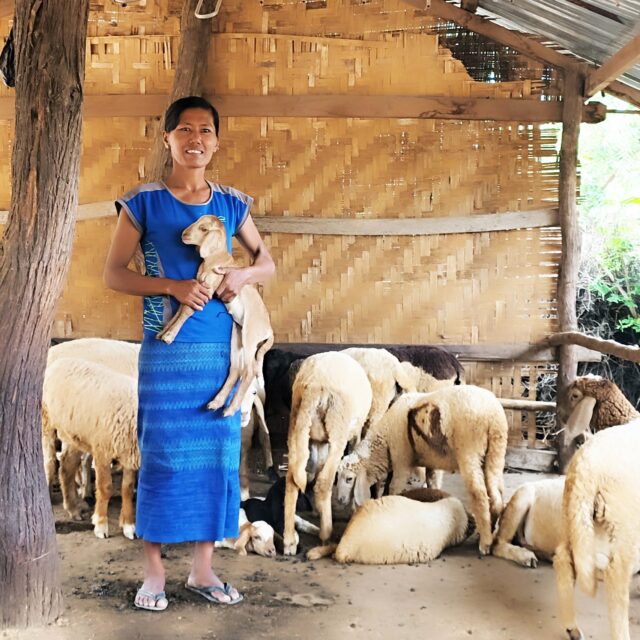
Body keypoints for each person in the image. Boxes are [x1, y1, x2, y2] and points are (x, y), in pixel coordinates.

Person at [104, 95, 276, 611]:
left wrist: (244, 275)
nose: (194, 139)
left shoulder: (232, 204)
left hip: (222, 354)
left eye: (204, 130)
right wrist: (172, 286)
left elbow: (266, 262)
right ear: (168, 139)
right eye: (184, 129)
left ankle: (203, 570)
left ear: (216, 142)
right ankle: (154, 574)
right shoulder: (142, 203)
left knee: (217, 460)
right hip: (166, 353)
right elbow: (114, 275)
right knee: (162, 456)